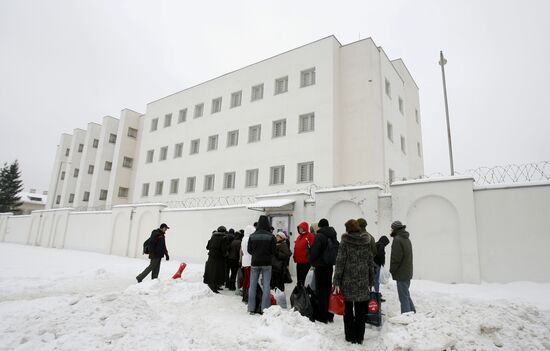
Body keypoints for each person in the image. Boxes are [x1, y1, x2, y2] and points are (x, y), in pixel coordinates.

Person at [333, 219, 375, 345]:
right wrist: (371, 280)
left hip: (348, 281)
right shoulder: (366, 241)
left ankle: (350, 336)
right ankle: (360, 336)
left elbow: (340, 262)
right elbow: (370, 262)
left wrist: (336, 281)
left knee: (348, 310)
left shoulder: (345, 242)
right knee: (361, 310)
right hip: (362, 281)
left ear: (347, 229)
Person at [308, 218, 338, 323]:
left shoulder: (319, 236)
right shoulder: (333, 235)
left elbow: (314, 252)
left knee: (321, 291)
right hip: (329, 266)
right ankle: (330, 315)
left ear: (320, 226)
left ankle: (322, 316)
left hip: (320, 266)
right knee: (328, 289)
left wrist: (311, 258)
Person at [247, 215, 276, 314]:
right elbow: (273, 251)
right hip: (267, 263)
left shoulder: (252, 236)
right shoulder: (271, 236)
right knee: (267, 285)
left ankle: (251, 308)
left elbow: (249, 250)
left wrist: (256, 254)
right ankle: (265, 309)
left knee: (252, 285)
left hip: (255, 262)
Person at [389, 221, 416, 314]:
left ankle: (406, 314)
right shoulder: (406, 238)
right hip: (407, 271)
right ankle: (412, 311)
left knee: (403, 295)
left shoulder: (397, 239)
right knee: (406, 293)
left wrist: (392, 270)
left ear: (395, 229)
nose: (391, 230)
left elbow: (396, 258)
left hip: (401, 272)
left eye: (392, 229)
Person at [203, 226, 230, 293]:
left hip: (211, 257)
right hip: (219, 258)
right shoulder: (224, 238)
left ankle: (214, 286)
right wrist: (226, 254)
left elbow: (208, 247)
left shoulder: (213, 237)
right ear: (224, 231)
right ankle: (215, 287)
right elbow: (223, 249)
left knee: (212, 272)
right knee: (218, 273)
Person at [293, 221, 314, 286]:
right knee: (299, 279)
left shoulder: (310, 236)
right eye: (299, 228)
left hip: (306, 262)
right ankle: (300, 293)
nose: (300, 229)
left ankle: (305, 293)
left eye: (301, 228)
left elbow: (312, 248)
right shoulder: (299, 237)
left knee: (305, 279)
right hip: (299, 262)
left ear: (305, 228)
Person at [240, 225, 255, 303]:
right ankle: (248, 297)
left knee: (246, 279)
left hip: (245, 261)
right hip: (250, 261)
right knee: (250, 280)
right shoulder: (250, 239)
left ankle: (244, 296)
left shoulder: (243, 239)